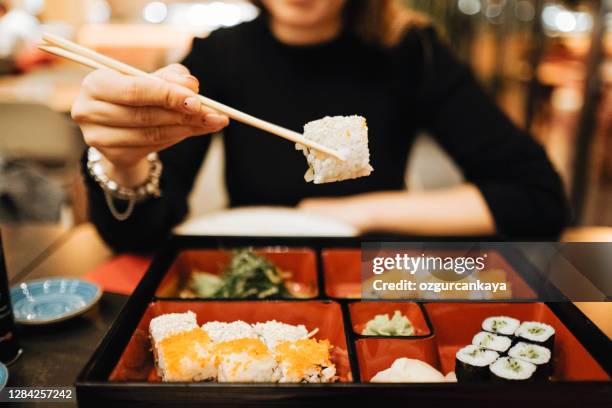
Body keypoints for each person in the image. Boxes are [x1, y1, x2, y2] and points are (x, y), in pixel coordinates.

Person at [73, 0, 569, 252]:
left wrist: (356, 211)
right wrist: (122, 160)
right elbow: (139, 237)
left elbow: (536, 199)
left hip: (374, 276)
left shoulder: (411, 50)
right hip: (256, 272)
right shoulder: (218, 56)